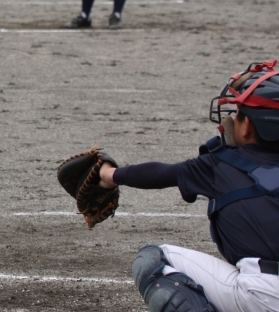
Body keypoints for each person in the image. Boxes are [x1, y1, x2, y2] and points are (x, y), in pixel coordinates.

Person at [96, 61, 279, 312]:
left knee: (155, 259)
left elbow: (160, 174)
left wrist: (108, 174)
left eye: (238, 114)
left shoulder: (218, 166)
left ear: (247, 126)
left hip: (263, 296)